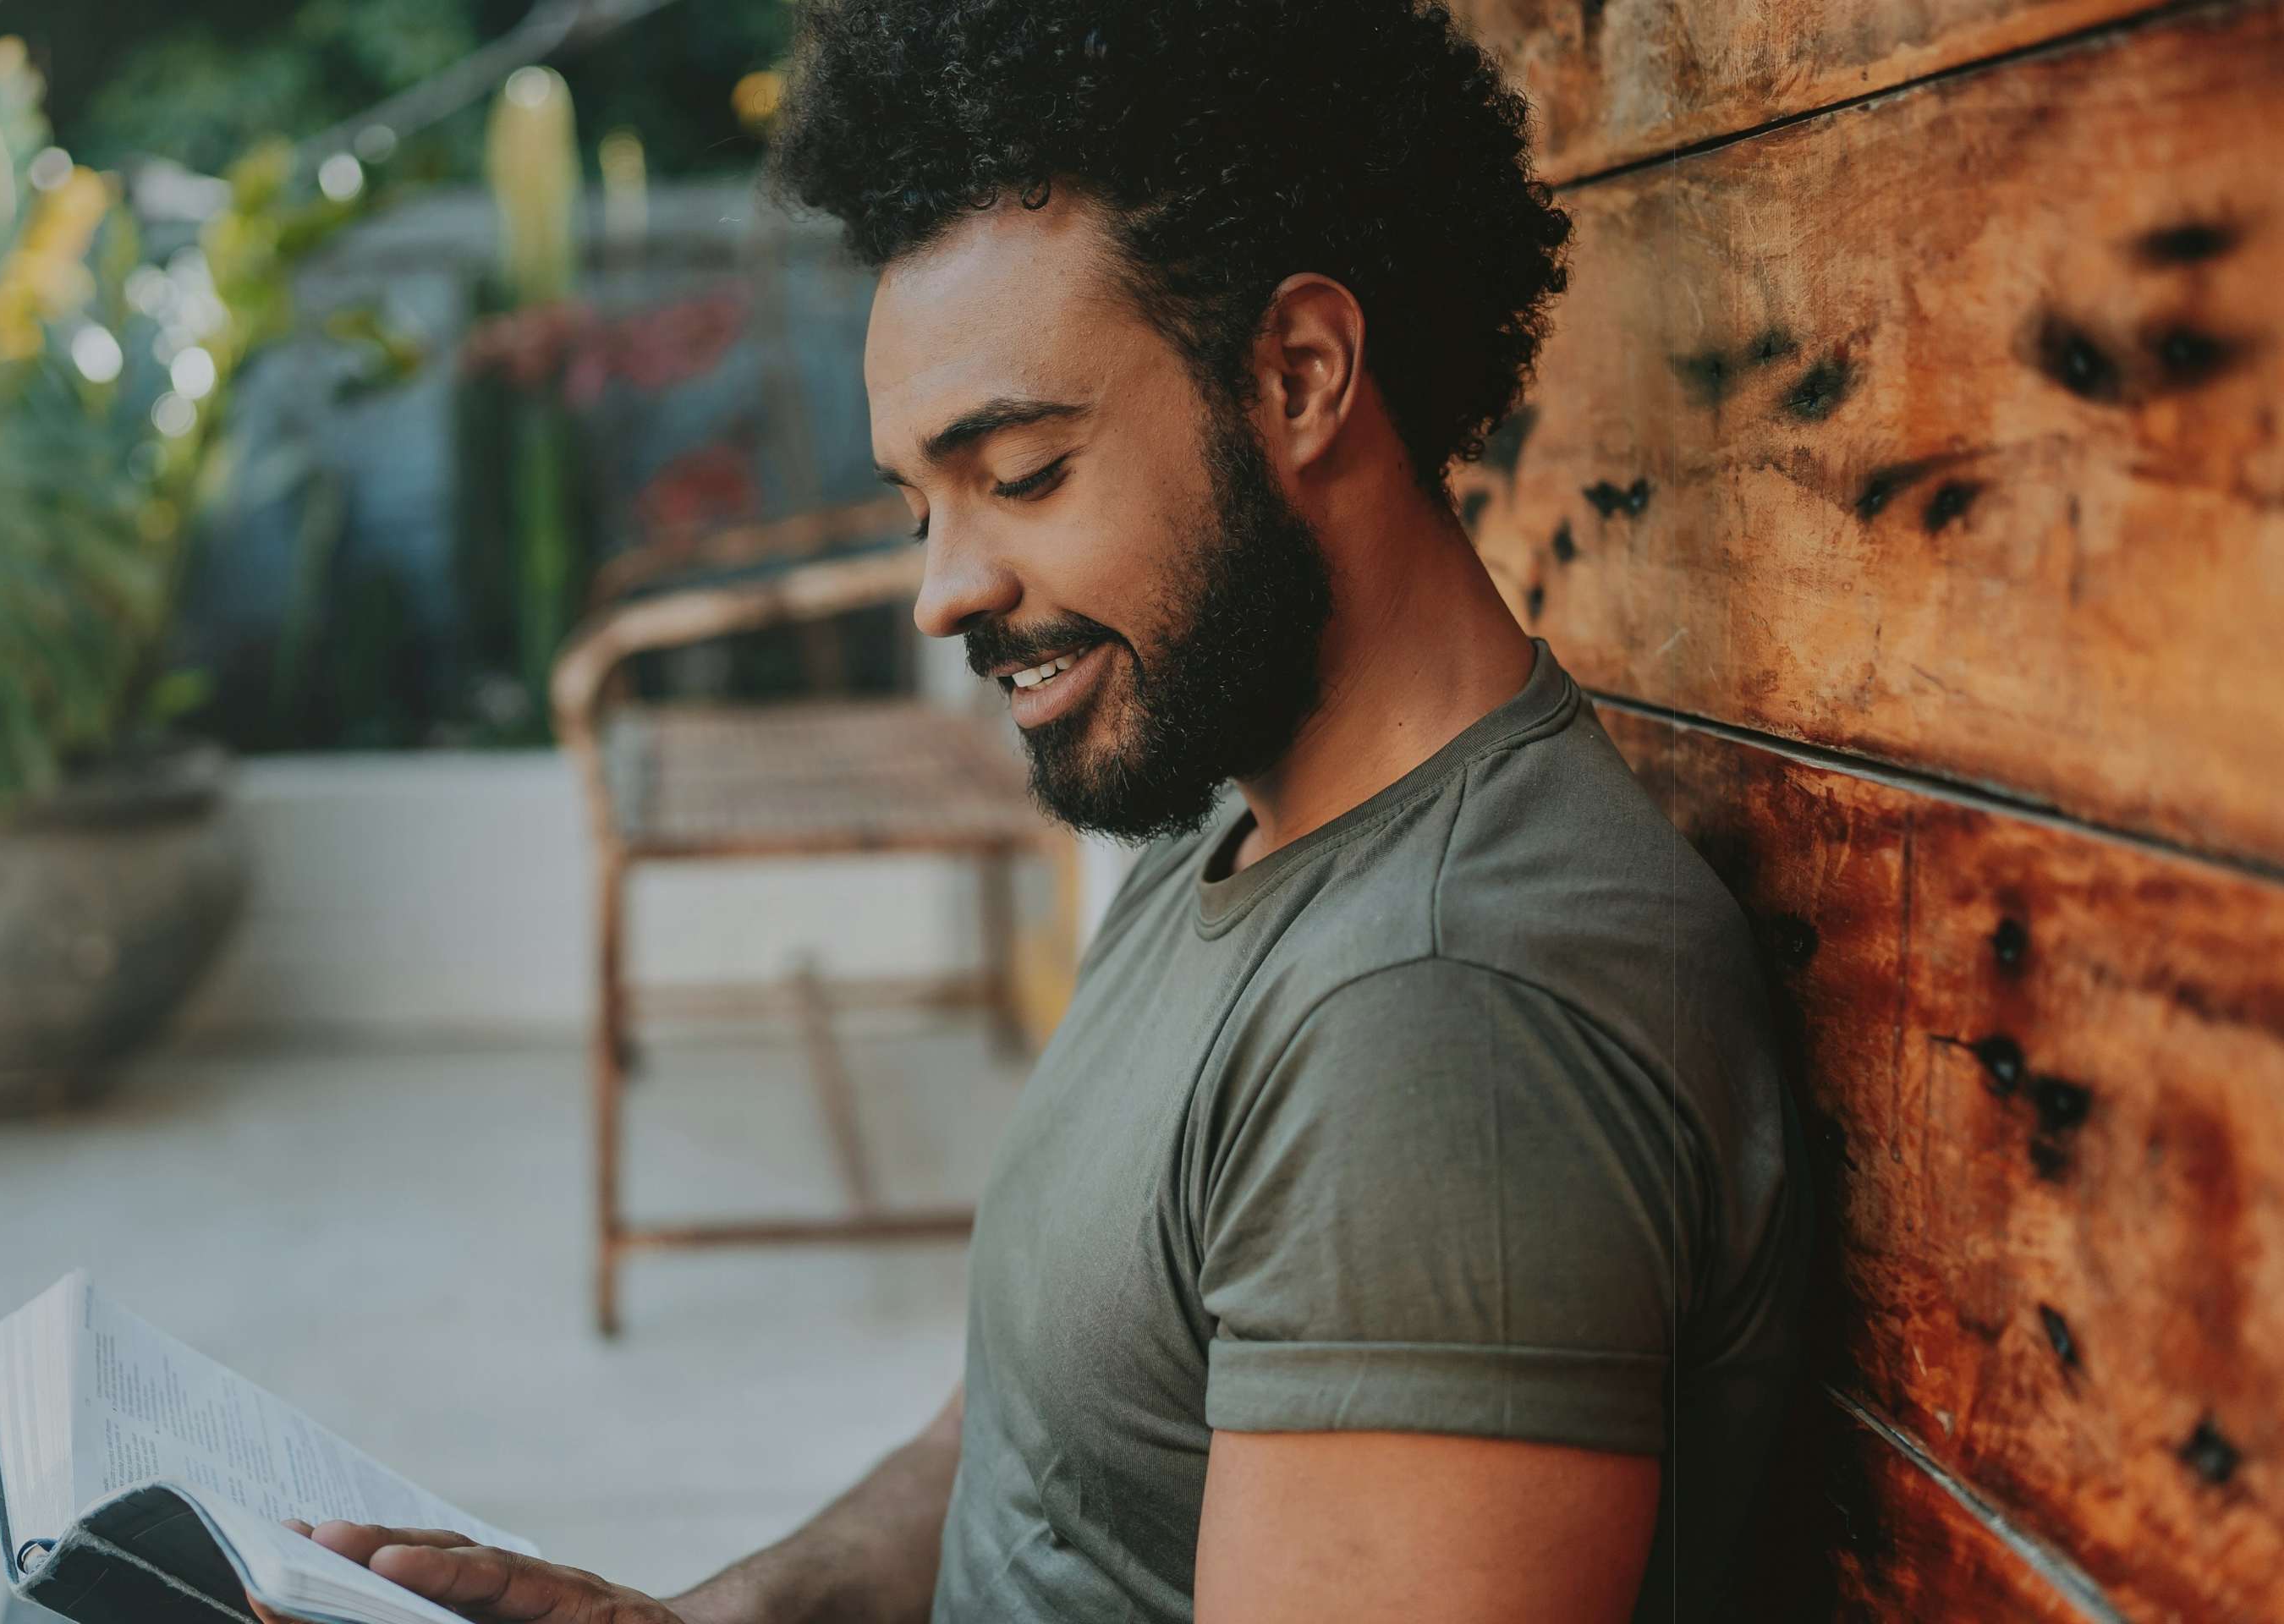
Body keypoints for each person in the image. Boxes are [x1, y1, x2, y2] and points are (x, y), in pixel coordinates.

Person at [266, 3, 1804, 1619]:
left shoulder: (1442, 1023)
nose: (943, 593)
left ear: (1298, 376)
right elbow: (1044, 1441)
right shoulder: (1232, 809)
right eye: (919, 504)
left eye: (1020, 474)